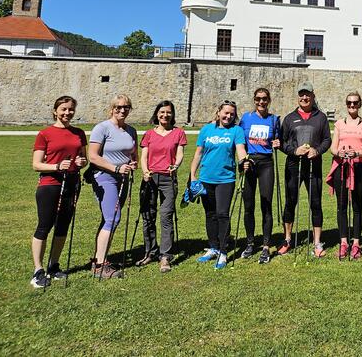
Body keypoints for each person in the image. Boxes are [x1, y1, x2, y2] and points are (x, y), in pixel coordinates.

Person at [30, 96, 88, 288]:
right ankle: (38, 270)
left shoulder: (79, 133)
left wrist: (81, 162)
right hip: (50, 184)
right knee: (44, 226)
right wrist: (56, 166)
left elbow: (83, 159)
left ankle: (53, 265)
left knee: (63, 225)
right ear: (55, 111)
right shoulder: (45, 134)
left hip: (71, 183)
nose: (67, 113)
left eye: (71, 109)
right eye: (63, 109)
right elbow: (36, 164)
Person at [189, 101, 248, 270]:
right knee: (210, 214)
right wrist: (193, 176)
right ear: (218, 112)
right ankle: (213, 247)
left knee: (222, 214)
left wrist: (244, 160)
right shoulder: (207, 129)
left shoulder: (236, 131)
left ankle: (223, 251)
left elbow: (240, 149)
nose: (228, 116)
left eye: (231, 114)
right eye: (226, 113)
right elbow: (198, 154)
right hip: (206, 178)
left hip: (226, 179)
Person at [87, 94, 138, 279]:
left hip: (122, 179)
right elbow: (92, 156)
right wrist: (116, 168)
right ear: (112, 108)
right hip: (104, 177)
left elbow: (134, 154)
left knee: (109, 219)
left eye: (126, 107)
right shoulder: (102, 128)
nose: (122, 110)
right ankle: (100, 266)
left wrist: (133, 163)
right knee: (113, 218)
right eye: (118, 107)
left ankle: (100, 259)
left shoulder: (131, 130)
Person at [278, 82, 331, 257]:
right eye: (302, 94)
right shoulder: (289, 118)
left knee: (315, 203)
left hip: (313, 165)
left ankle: (317, 243)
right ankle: (287, 240)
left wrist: (317, 150)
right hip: (294, 165)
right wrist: (294, 150)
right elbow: (282, 142)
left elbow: (326, 140)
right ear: (298, 97)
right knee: (290, 202)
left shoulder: (320, 117)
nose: (304, 97)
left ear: (313, 96)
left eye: (307, 94)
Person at [138, 100, 186, 273]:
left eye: (168, 112)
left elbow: (180, 153)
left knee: (166, 217)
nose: (165, 115)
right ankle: (150, 252)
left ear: (172, 115)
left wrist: (176, 165)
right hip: (150, 178)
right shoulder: (149, 134)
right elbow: (144, 156)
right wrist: (144, 172)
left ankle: (165, 256)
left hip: (168, 179)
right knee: (148, 217)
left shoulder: (178, 133)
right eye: (162, 112)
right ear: (157, 114)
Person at [238, 87, 282, 264]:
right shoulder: (246, 118)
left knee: (266, 204)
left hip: (266, 163)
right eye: (258, 99)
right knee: (248, 205)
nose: (261, 102)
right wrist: (242, 161)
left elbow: (278, 140)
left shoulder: (274, 120)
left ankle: (265, 245)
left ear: (269, 100)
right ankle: (250, 243)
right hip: (249, 163)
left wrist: (278, 142)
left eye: (264, 99)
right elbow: (239, 141)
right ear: (254, 100)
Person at [327, 91, 362, 260]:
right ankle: (343, 242)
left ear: (360, 104)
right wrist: (339, 153)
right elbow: (333, 147)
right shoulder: (339, 123)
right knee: (341, 205)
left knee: (357, 205)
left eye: (355, 103)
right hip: (341, 166)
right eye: (349, 103)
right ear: (346, 104)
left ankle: (356, 243)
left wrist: (356, 153)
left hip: (359, 167)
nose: (352, 106)